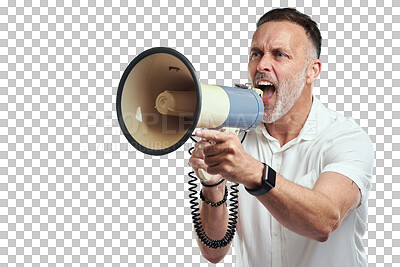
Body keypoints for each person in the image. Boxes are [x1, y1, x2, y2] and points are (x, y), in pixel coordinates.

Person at [189, 8, 374, 267]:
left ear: (312, 71)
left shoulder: (345, 138)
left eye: (279, 54)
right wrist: (213, 184)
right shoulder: (237, 136)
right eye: (256, 54)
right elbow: (214, 253)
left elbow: (325, 221)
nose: (262, 65)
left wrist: (254, 173)